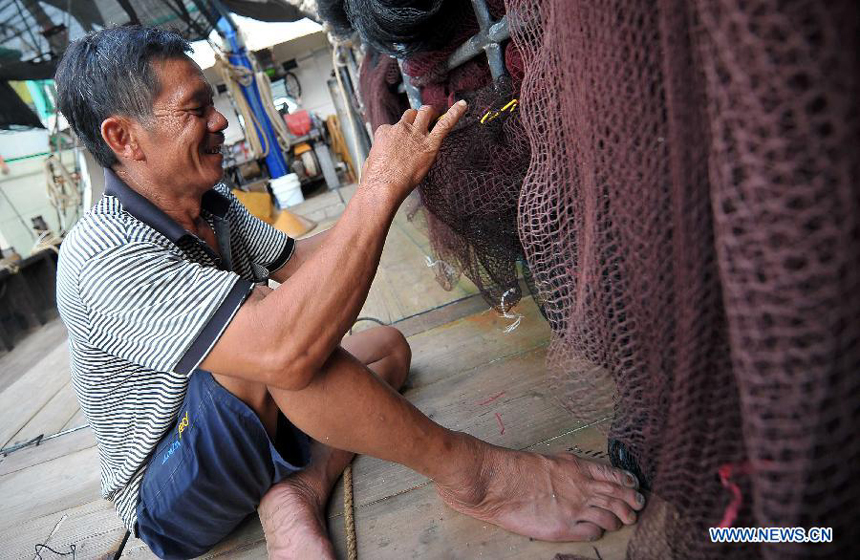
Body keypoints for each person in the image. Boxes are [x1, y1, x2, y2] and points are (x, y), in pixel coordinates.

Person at [54, 26, 644, 559]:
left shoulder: (212, 206)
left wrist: (402, 184)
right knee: (289, 357)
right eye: (196, 109)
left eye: (215, 104)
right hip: (172, 490)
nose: (221, 123)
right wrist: (378, 189)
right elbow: (285, 347)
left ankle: (297, 488)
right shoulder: (102, 253)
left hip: (246, 420)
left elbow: (304, 263)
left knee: (387, 347)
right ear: (123, 138)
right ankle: (479, 477)